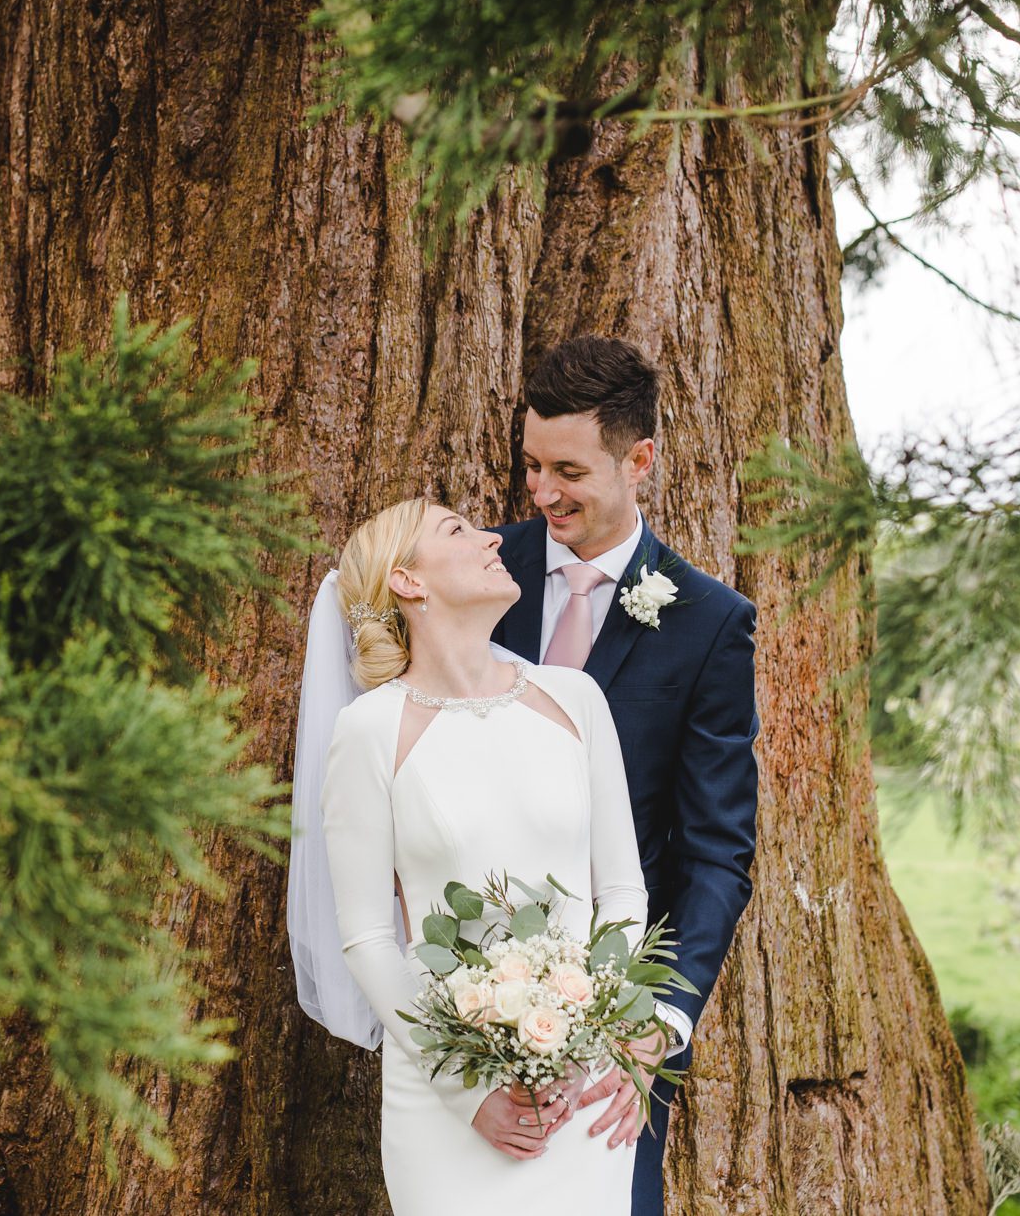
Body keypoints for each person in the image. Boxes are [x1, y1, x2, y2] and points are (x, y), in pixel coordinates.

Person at [310, 496, 652, 1212]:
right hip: (447, 1103)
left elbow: (622, 891)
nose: (491, 536)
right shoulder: (370, 730)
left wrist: (586, 1034)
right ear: (409, 581)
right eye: (456, 530)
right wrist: (468, 1091)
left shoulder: (575, 699)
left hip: (578, 1087)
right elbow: (369, 936)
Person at [492, 336, 760, 1216]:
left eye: (568, 469)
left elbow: (717, 851)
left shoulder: (710, 623)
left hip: (616, 1024)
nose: (541, 491)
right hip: (470, 992)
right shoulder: (480, 574)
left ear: (639, 459)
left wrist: (664, 1019)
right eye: (531, 464)